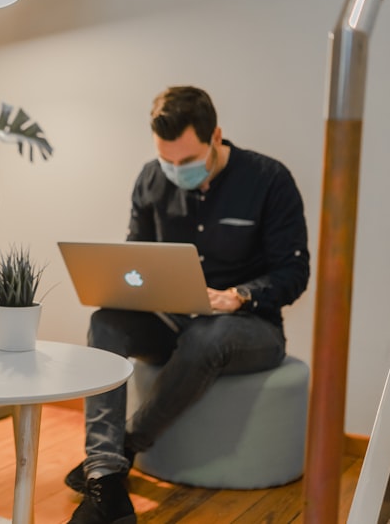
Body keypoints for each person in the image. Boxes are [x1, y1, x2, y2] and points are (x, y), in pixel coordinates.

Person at [66, 86, 310, 524]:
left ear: (216, 137)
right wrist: (124, 284)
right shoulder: (150, 178)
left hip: (251, 328)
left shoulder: (269, 180)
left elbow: (294, 274)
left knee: (205, 337)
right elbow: (134, 258)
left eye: (187, 161)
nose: (176, 171)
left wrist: (240, 295)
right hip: (171, 319)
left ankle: (125, 446)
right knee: (105, 322)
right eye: (168, 161)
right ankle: (104, 479)